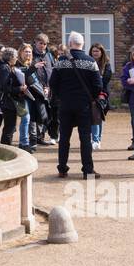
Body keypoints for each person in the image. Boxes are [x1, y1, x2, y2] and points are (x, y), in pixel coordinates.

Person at [50, 31, 102, 178]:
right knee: (85, 138)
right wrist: (90, 97)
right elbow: (98, 86)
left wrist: (61, 96)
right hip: (84, 105)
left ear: (70, 44)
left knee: (64, 138)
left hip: (65, 104)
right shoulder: (91, 61)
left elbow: (53, 83)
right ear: (82, 44)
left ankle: (62, 169)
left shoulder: (61, 61)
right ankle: (87, 171)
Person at [32, 33, 56, 146]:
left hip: (49, 89)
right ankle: (36, 137)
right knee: (41, 115)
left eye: (45, 44)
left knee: (49, 114)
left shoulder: (49, 55)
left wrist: (50, 86)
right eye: (40, 43)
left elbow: (52, 69)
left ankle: (40, 136)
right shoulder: (31, 55)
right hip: (36, 90)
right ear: (35, 42)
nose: (42, 46)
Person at [0, 47, 21, 146]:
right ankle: (6, 147)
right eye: (15, 56)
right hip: (7, 101)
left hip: (9, 101)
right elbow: (5, 87)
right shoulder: (4, 68)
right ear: (10, 57)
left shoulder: (7, 67)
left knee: (11, 127)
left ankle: (6, 146)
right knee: (9, 127)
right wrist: (19, 89)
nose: (17, 58)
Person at [88, 43, 113, 148]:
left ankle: (97, 139)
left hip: (102, 93)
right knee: (93, 116)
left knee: (98, 115)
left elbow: (106, 79)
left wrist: (98, 84)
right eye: (93, 51)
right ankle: (95, 138)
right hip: (90, 93)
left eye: (97, 51)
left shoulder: (106, 64)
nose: (95, 53)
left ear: (102, 52)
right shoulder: (88, 63)